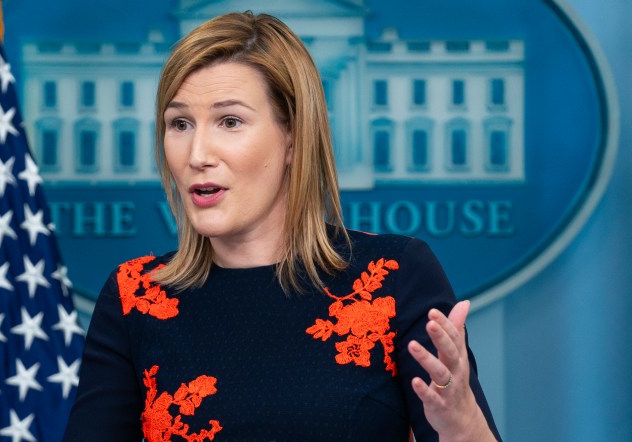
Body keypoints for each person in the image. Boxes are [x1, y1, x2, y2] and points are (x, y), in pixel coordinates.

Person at [64, 11, 501, 441]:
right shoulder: (134, 295)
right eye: (180, 124)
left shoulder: (394, 276)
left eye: (229, 121)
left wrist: (462, 425)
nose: (197, 154)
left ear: (293, 136)